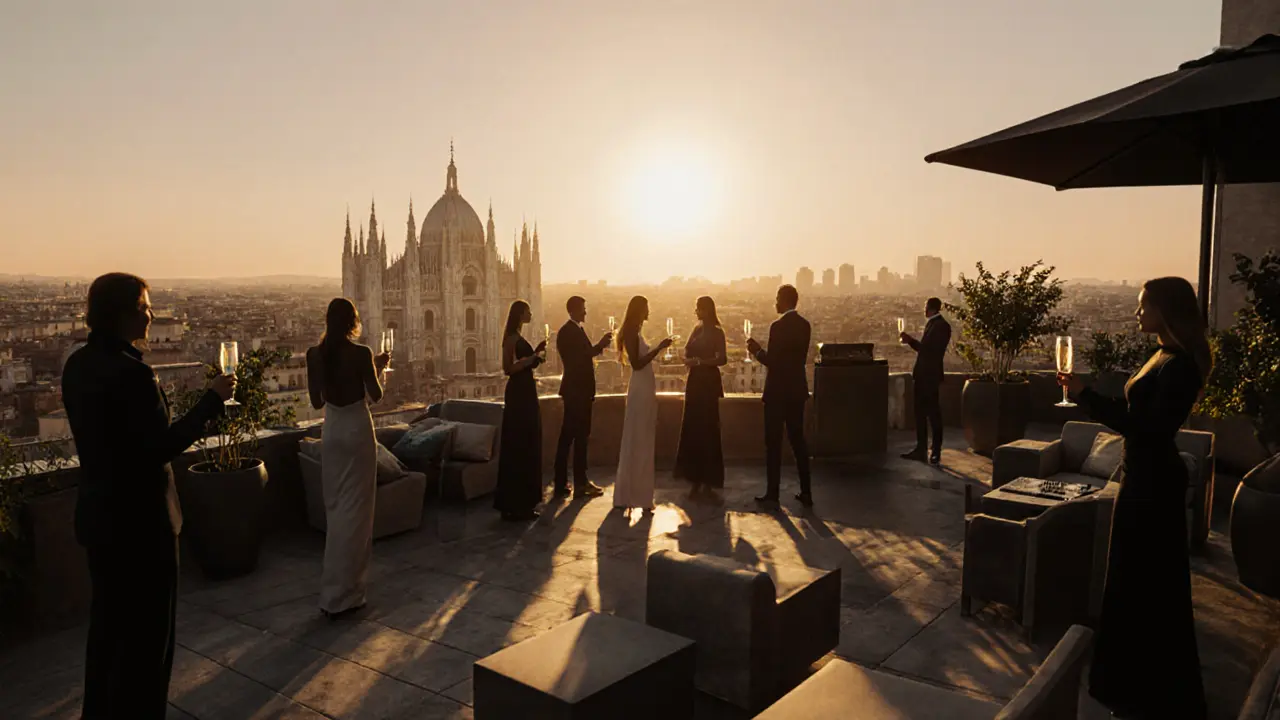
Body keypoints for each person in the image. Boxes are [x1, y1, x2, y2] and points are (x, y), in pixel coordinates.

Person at [62, 272, 235, 719]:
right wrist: (212, 401)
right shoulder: (135, 375)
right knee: (148, 648)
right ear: (121, 313)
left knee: (107, 637)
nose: (151, 314)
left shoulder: (76, 366)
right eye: (143, 307)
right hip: (144, 527)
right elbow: (160, 447)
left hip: (100, 521)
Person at [1058, 277, 1210, 719]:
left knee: (1142, 585)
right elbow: (1138, 419)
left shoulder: (1178, 366)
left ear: (1166, 309)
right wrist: (1086, 396)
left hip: (1153, 485)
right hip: (1144, 477)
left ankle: (1142, 690)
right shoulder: (1163, 356)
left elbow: (1148, 428)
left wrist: (1088, 398)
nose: (1137, 313)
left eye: (1144, 305)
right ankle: (1136, 687)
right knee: (1139, 584)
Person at [305, 298, 390, 619]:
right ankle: (350, 592)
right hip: (356, 429)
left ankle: (332, 593)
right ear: (353, 322)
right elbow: (376, 395)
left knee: (337, 507)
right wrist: (376, 369)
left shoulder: (315, 355)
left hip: (333, 430)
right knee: (358, 510)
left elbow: (316, 401)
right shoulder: (361, 353)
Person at [747, 285, 813, 508]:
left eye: (777, 299)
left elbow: (773, 361)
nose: (775, 303)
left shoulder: (777, 327)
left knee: (773, 444)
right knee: (798, 442)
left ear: (784, 301)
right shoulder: (805, 326)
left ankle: (772, 493)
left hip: (777, 393)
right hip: (796, 390)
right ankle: (806, 492)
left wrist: (756, 351)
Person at [614, 295, 672, 512]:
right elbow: (637, 363)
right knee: (639, 437)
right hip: (640, 386)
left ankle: (636, 494)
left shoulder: (634, 332)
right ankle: (634, 495)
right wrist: (658, 349)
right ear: (639, 310)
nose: (649, 311)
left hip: (644, 386)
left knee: (642, 437)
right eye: (646, 307)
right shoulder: (630, 332)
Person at [553, 296, 612, 499]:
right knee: (576, 438)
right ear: (574, 310)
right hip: (577, 392)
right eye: (583, 309)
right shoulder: (570, 332)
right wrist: (602, 344)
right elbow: (583, 356)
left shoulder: (572, 330)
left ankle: (568, 483)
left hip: (577, 391)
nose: (585, 312)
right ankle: (579, 483)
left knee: (572, 438)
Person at [496, 300, 547, 521]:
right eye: (528, 312)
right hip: (519, 393)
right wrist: (532, 359)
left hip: (525, 390)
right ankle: (517, 505)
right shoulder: (510, 339)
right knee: (520, 444)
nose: (531, 314)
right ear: (519, 315)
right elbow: (508, 368)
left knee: (527, 442)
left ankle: (522, 503)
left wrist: (535, 356)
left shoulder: (517, 337)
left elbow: (524, 362)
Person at [675, 296, 727, 501]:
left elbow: (722, 358)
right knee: (693, 430)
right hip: (695, 382)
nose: (696, 312)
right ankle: (695, 479)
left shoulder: (717, 332)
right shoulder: (696, 330)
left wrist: (700, 362)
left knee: (708, 430)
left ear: (707, 310)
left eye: (699, 309)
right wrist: (688, 360)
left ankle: (708, 480)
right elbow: (688, 351)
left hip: (707, 384)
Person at [900, 297, 952, 465]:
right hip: (924, 375)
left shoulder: (941, 326)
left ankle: (934, 450)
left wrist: (911, 341)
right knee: (921, 414)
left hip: (929, 376)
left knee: (932, 414)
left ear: (930, 308)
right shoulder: (934, 324)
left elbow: (929, 351)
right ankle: (922, 448)